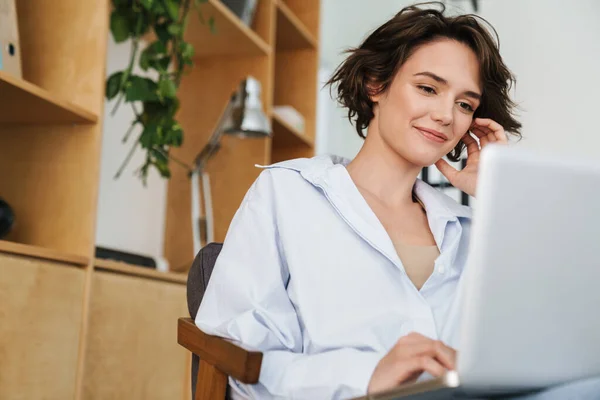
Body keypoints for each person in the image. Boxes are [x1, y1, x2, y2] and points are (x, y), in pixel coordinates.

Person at [195, 2, 600, 399]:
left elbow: (546, 341)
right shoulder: (287, 194)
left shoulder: (472, 228)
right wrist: (367, 375)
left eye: (465, 104)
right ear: (376, 84)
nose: (446, 115)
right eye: (428, 88)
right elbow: (243, 358)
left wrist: (501, 199)